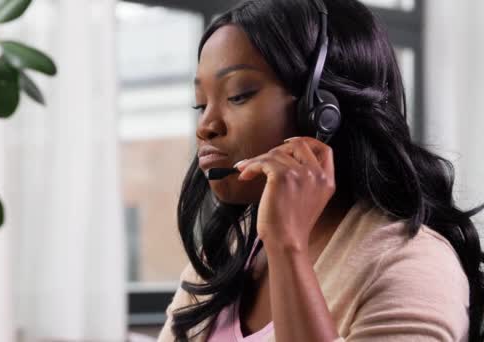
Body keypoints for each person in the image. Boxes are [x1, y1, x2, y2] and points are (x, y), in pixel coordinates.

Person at [156, 0, 484, 341]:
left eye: (239, 95)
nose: (206, 126)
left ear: (322, 111)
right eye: (201, 104)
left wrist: (287, 247)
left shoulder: (414, 264)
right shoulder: (227, 252)